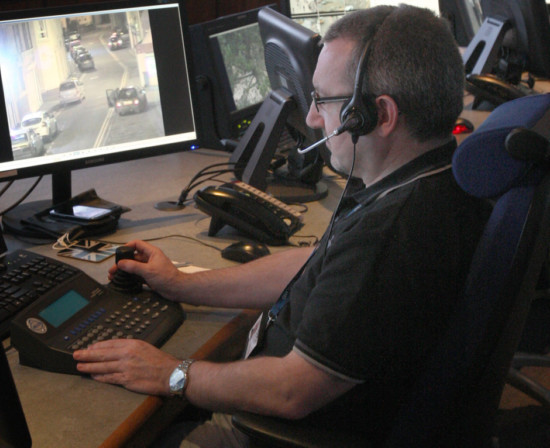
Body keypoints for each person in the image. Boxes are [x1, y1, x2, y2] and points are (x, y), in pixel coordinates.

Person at [73, 5, 492, 446]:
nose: (312, 118)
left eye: (324, 100)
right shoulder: (424, 175)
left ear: (380, 116)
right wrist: (182, 284)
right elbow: (317, 262)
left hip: (279, 431)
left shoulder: (392, 234)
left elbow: (293, 390)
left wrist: (171, 374)